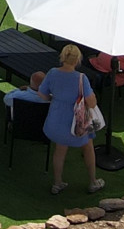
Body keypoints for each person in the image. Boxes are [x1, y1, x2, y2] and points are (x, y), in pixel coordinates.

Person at [40, 43, 104, 196]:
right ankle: (93, 181)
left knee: (59, 150)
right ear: (77, 60)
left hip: (56, 121)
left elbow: (42, 94)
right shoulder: (81, 78)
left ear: (62, 57)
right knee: (88, 148)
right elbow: (92, 103)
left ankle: (57, 183)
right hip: (78, 123)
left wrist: (56, 99)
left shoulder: (52, 73)